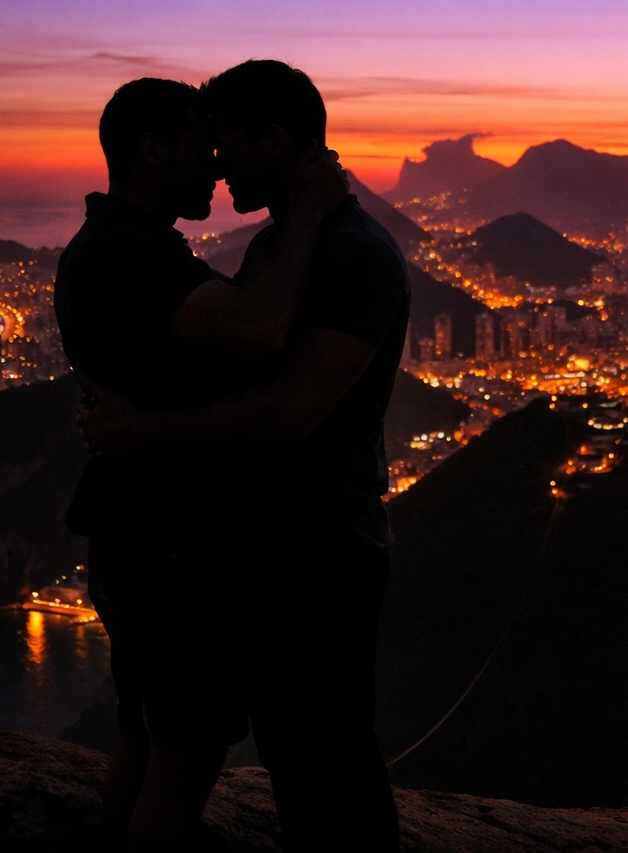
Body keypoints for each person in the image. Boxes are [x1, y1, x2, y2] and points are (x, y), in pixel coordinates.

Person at [78, 60, 410, 853]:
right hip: (267, 548)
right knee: (286, 760)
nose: (218, 169)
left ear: (275, 139)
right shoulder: (281, 248)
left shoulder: (351, 251)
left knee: (326, 764)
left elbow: (291, 407)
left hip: (322, 549)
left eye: (225, 147)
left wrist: (144, 431)